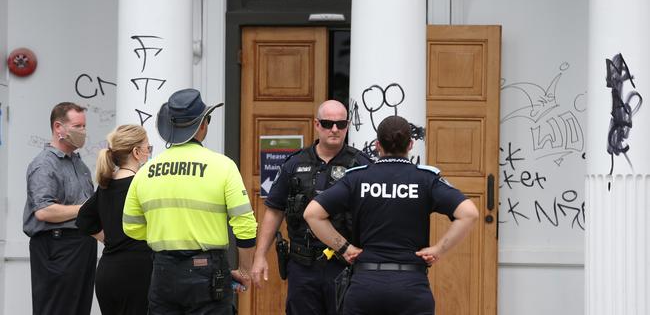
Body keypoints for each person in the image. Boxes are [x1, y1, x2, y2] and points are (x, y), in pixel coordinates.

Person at [304, 115, 479, 315]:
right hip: (411, 286)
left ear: (378, 145)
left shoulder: (357, 178)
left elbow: (313, 213)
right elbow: (469, 213)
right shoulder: (425, 178)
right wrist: (438, 249)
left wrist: (345, 248)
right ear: (411, 144)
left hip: (365, 285)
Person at [122, 88, 257, 315]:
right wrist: (244, 271)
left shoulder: (145, 172)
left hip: (163, 272)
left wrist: (167, 234)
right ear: (202, 125)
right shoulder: (223, 166)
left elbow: (131, 226)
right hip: (208, 272)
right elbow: (245, 225)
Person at [251, 100, 373, 315]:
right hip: (303, 265)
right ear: (317, 125)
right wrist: (260, 256)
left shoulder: (361, 166)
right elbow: (274, 210)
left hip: (345, 264)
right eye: (327, 123)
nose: (334, 129)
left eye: (341, 124)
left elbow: (376, 214)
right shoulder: (294, 164)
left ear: (348, 125)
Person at [22, 102, 97, 315]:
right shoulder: (45, 164)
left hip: (82, 247)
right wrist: (86, 209)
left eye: (84, 126)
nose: (83, 132)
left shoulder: (79, 165)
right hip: (57, 248)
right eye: (78, 126)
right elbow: (44, 211)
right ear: (58, 128)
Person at [76, 124, 153, 315]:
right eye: (148, 148)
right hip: (137, 272)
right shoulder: (142, 184)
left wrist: (110, 239)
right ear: (136, 152)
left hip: (108, 272)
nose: (149, 152)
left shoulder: (105, 186)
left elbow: (84, 219)